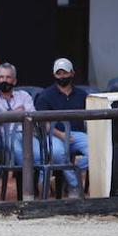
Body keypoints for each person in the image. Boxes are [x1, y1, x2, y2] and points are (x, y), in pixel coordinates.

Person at [0, 62, 39, 200]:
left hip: (26, 134)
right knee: (21, 154)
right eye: (1, 77)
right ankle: (26, 195)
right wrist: (17, 112)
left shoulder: (24, 96)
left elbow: (33, 116)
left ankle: (32, 189)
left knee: (38, 154)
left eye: (8, 77)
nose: (4, 80)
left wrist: (9, 115)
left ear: (15, 80)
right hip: (3, 137)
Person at [34, 57, 89, 198]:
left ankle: (69, 171)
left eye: (65, 73)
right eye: (59, 73)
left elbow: (90, 119)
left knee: (97, 150)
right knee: (58, 153)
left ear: (72, 73)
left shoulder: (83, 95)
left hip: (77, 134)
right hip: (54, 135)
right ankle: (75, 185)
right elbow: (42, 123)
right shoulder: (45, 96)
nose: (62, 76)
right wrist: (60, 135)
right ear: (54, 75)